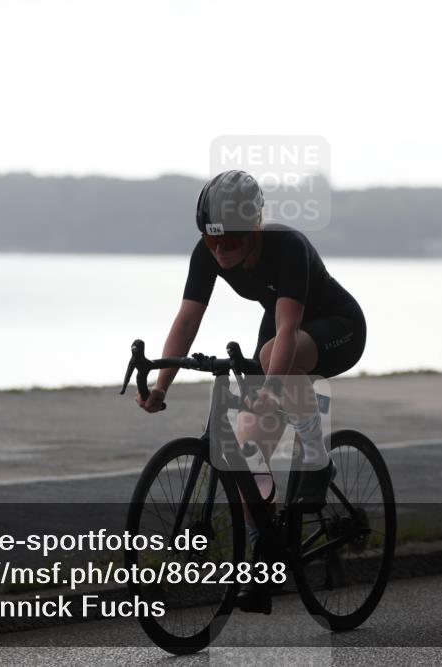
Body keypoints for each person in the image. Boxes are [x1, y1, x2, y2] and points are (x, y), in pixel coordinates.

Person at [136, 169, 366, 611]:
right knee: (242, 447)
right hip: (280, 335)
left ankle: (316, 459)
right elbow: (187, 319)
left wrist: (272, 391)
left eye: (230, 243)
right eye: (211, 240)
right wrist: (161, 385)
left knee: (270, 361)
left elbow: (286, 328)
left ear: (255, 230)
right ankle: (265, 555)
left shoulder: (288, 248)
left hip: (338, 327)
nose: (219, 251)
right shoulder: (209, 253)